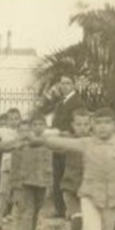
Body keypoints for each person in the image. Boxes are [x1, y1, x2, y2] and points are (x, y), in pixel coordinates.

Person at [42, 76, 85, 219]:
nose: (64, 86)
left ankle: (70, 210)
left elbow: (80, 123)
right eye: (62, 84)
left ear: (74, 85)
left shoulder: (77, 102)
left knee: (68, 176)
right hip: (58, 143)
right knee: (58, 175)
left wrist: (69, 135)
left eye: (68, 83)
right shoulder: (61, 102)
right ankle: (59, 209)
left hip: (69, 143)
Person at [60, 109, 91, 230]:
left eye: (86, 124)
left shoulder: (93, 142)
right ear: (73, 126)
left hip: (87, 190)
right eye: (79, 124)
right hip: (70, 188)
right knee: (78, 220)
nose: (82, 128)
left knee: (91, 224)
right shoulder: (70, 142)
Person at [17, 114, 53, 230]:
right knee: (29, 208)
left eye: (41, 125)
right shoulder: (26, 142)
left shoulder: (48, 142)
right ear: (31, 127)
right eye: (35, 125)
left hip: (42, 180)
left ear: (45, 126)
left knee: (38, 208)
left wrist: (49, 178)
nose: (38, 127)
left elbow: (50, 162)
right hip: (28, 179)